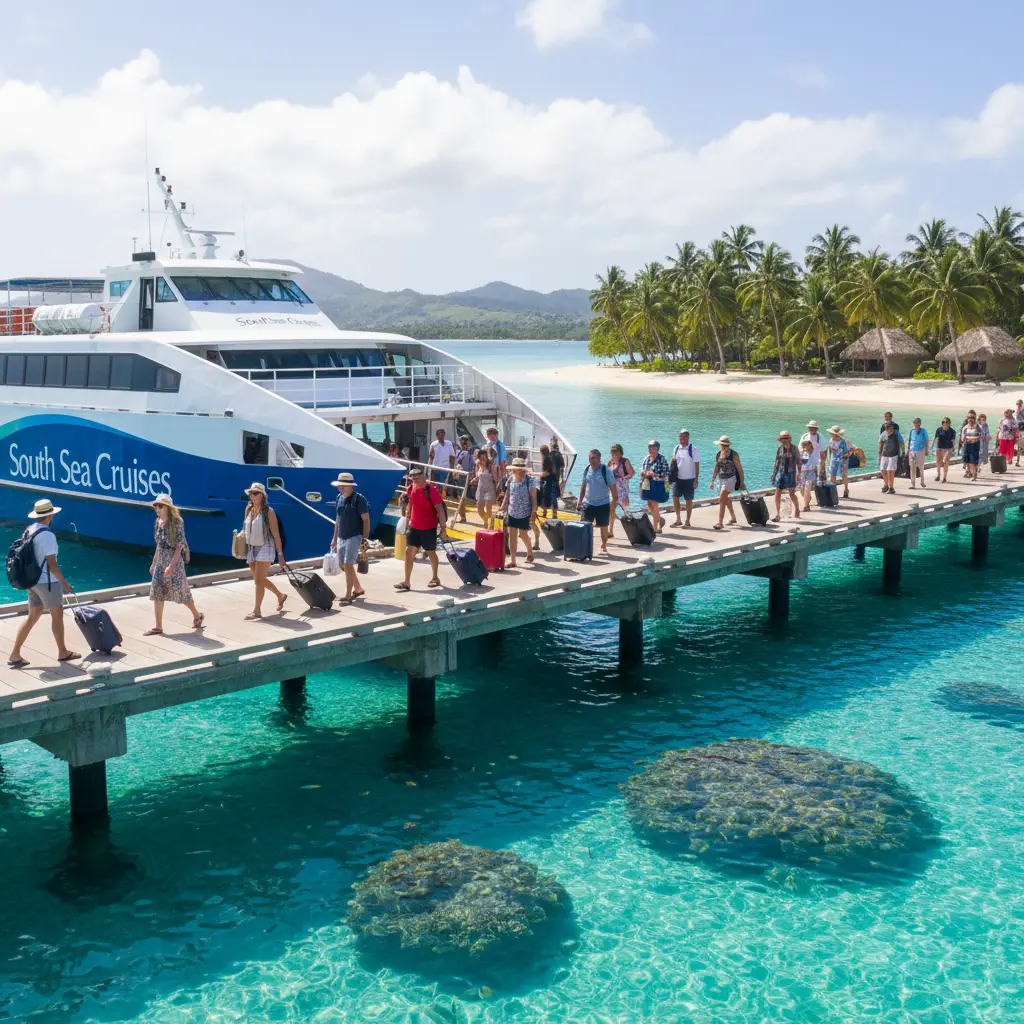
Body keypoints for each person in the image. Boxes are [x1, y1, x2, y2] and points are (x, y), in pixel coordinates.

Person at [7, 498, 79, 667]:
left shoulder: (29, 529)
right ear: (51, 516)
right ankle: (63, 652)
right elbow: (52, 564)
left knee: (32, 616)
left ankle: (15, 653)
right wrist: (64, 583)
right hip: (47, 582)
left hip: (31, 581)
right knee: (57, 617)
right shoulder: (47, 535)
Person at [146, 494, 204, 635]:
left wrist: (171, 566)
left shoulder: (177, 522)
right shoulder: (158, 522)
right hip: (161, 561)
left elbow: (179, 546)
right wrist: (154, 564)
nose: (157, 509)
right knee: (157, 592)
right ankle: (158, 627)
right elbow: (159, 546)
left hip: (174, 562)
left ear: (168, 508)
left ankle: (197, 615)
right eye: (156, 506)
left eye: (160, 506)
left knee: (181, 593)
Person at [395, 467, 448, 591]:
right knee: (409, 553)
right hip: (414, 526)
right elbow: (410, 506)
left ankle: (435, 578)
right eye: (413, 479)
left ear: (424, 476)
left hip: (429, 527)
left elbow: (439, 509)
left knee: (430, 552)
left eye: (417, 479)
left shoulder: (432, 490)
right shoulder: (411, 488)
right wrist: (407, 523)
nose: (415, 481)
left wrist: (444, 529)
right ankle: (407, 582)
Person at [242, 482, 288, 619]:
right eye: (251, 493)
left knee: (260, 579)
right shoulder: (248, 509)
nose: (252, 496)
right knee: (258, 580)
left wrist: (280, 555)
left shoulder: (269, 511)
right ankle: (280, 595)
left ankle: (257, 611)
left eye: (255, 493)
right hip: (252, 547)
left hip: (266, 546)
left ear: (262, 495)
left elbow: (276, 534)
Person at [330, 472, 371, 604]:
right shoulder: (339, 498)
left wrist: (365, 539)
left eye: (343, 487)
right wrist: (334, 538)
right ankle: (358, 588)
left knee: (348, 564)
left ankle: (348, 595)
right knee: (342, 564)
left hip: (355, 535)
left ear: (351, 487)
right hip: (342, 536)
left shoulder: (360, 500)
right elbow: (338, 519)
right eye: (339, 487)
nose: (340, 489)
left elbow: (366, 520)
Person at [577, 448, 615, 554]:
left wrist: (614, 502)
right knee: (585, 525)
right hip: (588, 502)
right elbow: (583, 487)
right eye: (589, 458)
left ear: (599, 458)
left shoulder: (605, 470)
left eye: (593, 458)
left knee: (603, 526)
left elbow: (613, 487)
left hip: (603, 503)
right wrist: (579, 501)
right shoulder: (587, 469)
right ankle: (586, 546)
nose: (591, 460)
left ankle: (603, 545)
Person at [502, 457, 538, 568]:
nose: (512, 470)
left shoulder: (530, 481)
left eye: (515, 469)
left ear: (521, 470)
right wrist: (502, 507)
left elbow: (533, 497)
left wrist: (534, 511)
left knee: (522, 534)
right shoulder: (510, 479)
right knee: (512, 536)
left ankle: (530, 551)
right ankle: (513, 560)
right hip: (512, 511)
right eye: (512, 468)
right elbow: (508, 494)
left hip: (524, 512)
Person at [710, 436, 743, 530]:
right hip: (721, 479)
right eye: (722, 445)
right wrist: (712, 481)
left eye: (725, 445)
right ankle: (733, 517)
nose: (723, 447)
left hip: (731, 479)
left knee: (721, 499)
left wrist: (742, 482)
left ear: (728, 445)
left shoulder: (734, 454)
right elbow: (716, 468)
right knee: (725, 499)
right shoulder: (718, 454)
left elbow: (740, 469)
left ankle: (720, 523)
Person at [670, 429, 699, 528]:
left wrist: (696, 480)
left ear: (688, 437)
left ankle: (687, 520)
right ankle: (678, 519)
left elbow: (697, 464)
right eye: (680, 437)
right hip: (677, 478)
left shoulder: (692, 448)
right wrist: (669, 476)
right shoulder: (676, 448)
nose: (682, 439)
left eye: (684, 437)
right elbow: (673, 461)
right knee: (675, 497)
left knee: (688, 499)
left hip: (689, 478)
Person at [771, 430, 802, 521]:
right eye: (783, 438)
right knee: (777, 493)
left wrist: (799, 473)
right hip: (780, 474)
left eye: (786, 438)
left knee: (791, 493)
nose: (785, 440)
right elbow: (776, 462)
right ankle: (777, 514)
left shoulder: (794, 448)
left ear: (789, 439)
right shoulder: (780, 449)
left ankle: (797, 509)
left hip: (791, 474)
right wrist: (773, 474)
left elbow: (799, 462)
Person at [639, 440, 668, 533]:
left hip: (659, 483)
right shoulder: (646, 458)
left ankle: (655, 528)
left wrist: (654, 474)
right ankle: (659, 519)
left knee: (654, 504)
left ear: (658, 449)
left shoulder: (662, 459)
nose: (651, 449)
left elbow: (666, 473)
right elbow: (642, 472)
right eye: (650, 447)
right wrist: (644, 475)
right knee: (649, 504)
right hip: (647, 483)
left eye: (653, 447)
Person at [607, 443, 634, 537]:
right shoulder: (610, 462)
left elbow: (632, 473)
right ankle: (610, 531)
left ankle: (634, 529)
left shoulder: (625, 461)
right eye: (613, 453)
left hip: (623, 488)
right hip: (612, 489)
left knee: (625, 510)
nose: (615, 455)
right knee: (611, 508)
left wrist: (623, 478)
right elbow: (606, 474)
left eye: (617, 453)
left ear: (621, 453)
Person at [472, 447, 498, 525]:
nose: (483, 459)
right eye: (481, 458)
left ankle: (488, 525)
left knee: (488, 508)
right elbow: (478, 476)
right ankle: (487, 520)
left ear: (486, 457)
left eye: (484, 457)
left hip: (489, 489)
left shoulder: (491, 466)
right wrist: (474, 479)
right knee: (479, 510)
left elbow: (495, 478)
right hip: (480, 489)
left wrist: (498, 489)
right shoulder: (478, 465)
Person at [878, 422, 905, 494]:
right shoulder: (883, 433)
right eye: (886, 427)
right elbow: (880, 443)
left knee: (890, 470)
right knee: (883, 469)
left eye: (890, 427)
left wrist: (903, 453)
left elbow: (902, 443)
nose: (888, 429)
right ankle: (886, 484)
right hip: (885, 454)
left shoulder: (896, 434)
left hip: (893, 454)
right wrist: (879, 455)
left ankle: (891, 487)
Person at [428, 428, 456, 495]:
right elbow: (430, 458)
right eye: (439, 436)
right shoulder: (433, 445)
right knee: (437, 487)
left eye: (442, 436)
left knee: (444, 487)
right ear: (437, 436)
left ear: (444, 435)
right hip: (436, 469)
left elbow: (452, 456)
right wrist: (429, 470)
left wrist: (452, 469)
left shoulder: (448, 443)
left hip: (446, 469)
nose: (441, 437)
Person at [826, 426, 852, 499]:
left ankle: (846, 489)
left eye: (832, 433)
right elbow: (829, 451)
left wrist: (843, 457)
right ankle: (833, 491)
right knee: (832, 475)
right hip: (834, 459)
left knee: (844, 475)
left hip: (843, 460)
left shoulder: (843, 441)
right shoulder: (830, 440)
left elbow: (847, 452)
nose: (831, 435)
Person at [454, 435, 475, 523]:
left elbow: (460, 465)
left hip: (462, 476)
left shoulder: (465, 453)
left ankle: (463, 517)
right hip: (462, 476)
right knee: (460, 497)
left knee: (461, 497)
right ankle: (462, 516)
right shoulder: (466, 452)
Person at [537, 443, 561, 521]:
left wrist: (539, 475)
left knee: (546, 496)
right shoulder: (549, 458)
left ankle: (546, 514)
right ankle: (554, 515)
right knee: (553, 498)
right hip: (553, 479)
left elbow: (547, 472)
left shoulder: (546, 459)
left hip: (548, 480)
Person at [906, 417, 930, 490]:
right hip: (912, 451)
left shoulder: (923, 431)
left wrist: (926, 450)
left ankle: (922, 481)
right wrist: (908, 450)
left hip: (921, 450)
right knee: (912, 467)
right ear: (913, 423)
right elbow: (909, 440)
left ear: (920, 423)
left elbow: (926, 441)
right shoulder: (911, 430)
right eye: (915, 422)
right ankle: (913, 484)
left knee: (921, 467)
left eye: (918, 422)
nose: (917, 424)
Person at [959, 411, 982, 482]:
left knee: (972, 462)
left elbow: (982, 437)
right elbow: (962, 439)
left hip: (975, 446)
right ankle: (971, 473)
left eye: (972, 418)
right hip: (967, 446)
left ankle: (974, 476)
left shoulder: (978, 427)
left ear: (975, 418)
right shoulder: (965, 428)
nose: (970, 419)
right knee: (967, 461)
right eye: (968, 417)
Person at [933, 417, 956, 482]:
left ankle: (944, 477)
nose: (945, 424)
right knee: (938, 462)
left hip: (948, 449)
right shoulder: (939, 429)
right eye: (943, 422)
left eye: (946, 422)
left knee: (945, 462)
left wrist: (953, 449)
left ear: (949, 423)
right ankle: (938, 475)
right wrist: (933, 448)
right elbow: (936, 438)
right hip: (939, 448)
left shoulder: (952, 431)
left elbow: (953, 441)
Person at [798, 440, 818, 512]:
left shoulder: (814, 452)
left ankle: (806, 506)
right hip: (803, 473)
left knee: (807, 488)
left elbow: (817, 462)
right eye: (803, 446)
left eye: (805, 446)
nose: (804, 448)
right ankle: (808, 498)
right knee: (801, 490)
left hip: (811, 472)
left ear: (810, 445)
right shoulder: (801, 452)